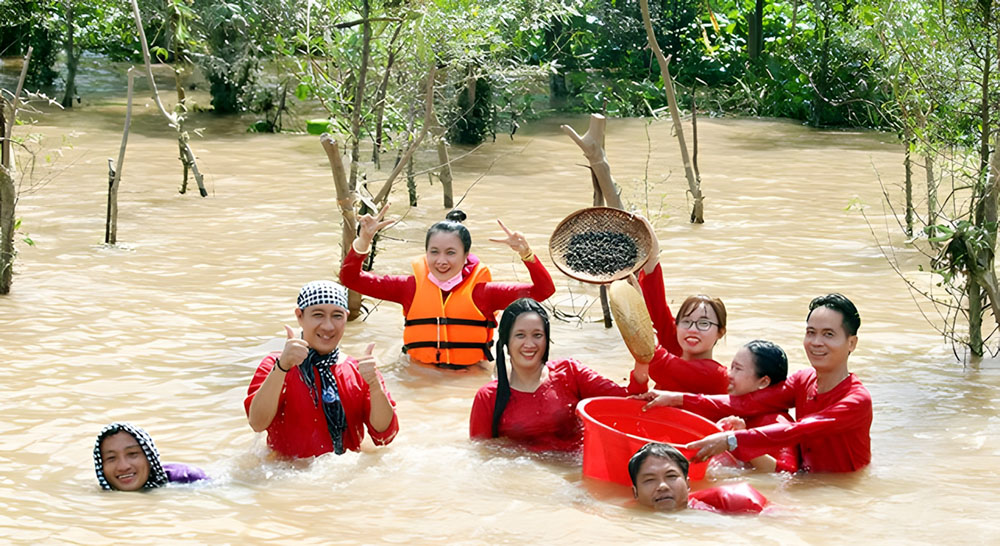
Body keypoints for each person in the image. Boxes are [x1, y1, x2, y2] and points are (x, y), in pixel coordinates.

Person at [636, 294, 872, 473]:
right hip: (804, 479)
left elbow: (798, 429)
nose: (816, 342)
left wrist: (731, 440)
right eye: (811, 332)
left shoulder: (857, 400)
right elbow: (746, 403)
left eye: (828, 334)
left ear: (851, 343)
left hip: (840, 489)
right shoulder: (804, 380)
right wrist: (675, 398)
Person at [340, 207, 555, 369]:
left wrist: (526, 253)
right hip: (417, 373)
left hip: (470, 375)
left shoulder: (484, 293)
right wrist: (363, 240)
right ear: (426, 254)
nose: (441, 261)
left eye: (451, 253)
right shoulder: (409, 288)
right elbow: (351, 279)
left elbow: (543, 291)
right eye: (434, 252)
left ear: (465, 256)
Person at [244, 280, 399, 459]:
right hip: (286, 477)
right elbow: (257, 423)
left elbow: (384, 437)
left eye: (337, 316)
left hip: (341, 476)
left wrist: (374, 385)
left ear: (346, 317)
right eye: (318, 315)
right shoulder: (275, 365)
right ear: (299, 316)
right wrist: (282, 367)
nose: (328, 326)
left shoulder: (360, 370)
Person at [469, 298, 646, 452]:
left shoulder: (569, 372)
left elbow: (627, 402)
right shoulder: (488, 397)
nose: (529, 344)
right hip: (526, 482)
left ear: (547, 339)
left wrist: (642, 363)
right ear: (506, 340)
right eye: (520, 335)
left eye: (537, 335)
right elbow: (482, 454)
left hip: (575, 475)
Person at [628, 219, 729, 394]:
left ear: (720, 332)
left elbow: (658, 362)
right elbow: (658, 310)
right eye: (686, 322)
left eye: (704, 324)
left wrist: (628, 305)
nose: (693, 330)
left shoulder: (717, 375)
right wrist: (652, 260)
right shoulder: (677, 347)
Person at [712, 340, 799, 473]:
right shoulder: (736, 414)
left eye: (738, 369)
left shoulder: (778, 423)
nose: (729, 375)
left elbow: (787, 474)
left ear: (763, 382)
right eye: (731, 367)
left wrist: (740, 440)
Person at [629, 442, 768, 514]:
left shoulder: (737, 501)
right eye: (649, 480)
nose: (662, 486)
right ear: (635, 493)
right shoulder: (626, 517)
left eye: (671, 476)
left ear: (688, 484)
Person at [93, 422, 208, 491]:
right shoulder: (95, 497)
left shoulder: (187, 478)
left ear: (150, 458)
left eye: (132, 454)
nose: (123, 466)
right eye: (111, 458)